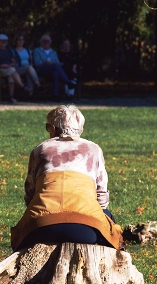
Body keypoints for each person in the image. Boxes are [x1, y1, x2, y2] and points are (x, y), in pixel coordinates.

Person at [10, 105, 123, 251]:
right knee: (108, 221)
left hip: (41, 227)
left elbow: (30, 194)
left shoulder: (40, 149)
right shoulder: (93, 149)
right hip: (86, 229)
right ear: (81, 130)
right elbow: (101, 196)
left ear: (53, 128)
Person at [0, 33, 30, 103]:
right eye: (2, 41)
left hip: (9, 69)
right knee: (12, 71)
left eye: (5, 41)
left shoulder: (9, 51)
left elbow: (13, 62)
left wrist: (10, 65)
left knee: (11, 74)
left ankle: (11, 97)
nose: (3, 42)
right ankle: (23, 87)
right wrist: (1, 66)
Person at [33, 35, 73, 99]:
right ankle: (67, 82)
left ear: (50, 42)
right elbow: (37, 63)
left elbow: (58, 63)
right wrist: (46, 62)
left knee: (55, 73)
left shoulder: (53, 52)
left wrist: (52, 63)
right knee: (55, 65)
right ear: (41, 42)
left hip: (51, 71)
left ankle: (55, 95)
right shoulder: (37, 51)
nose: (46, 42)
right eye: (44, 41)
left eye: (48, 41)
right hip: (41, 70)